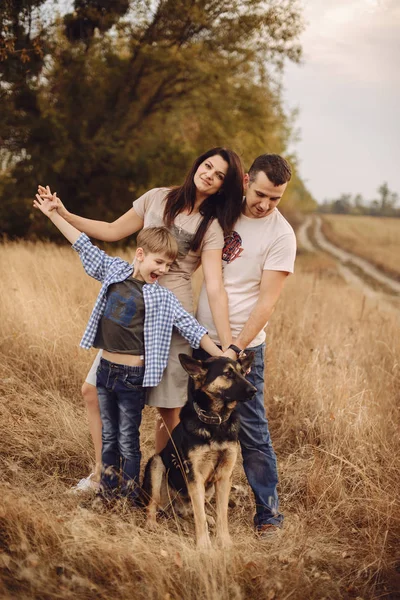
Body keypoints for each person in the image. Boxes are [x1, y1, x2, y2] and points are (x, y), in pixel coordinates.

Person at [37, 147, 244, 490]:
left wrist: (227, 347)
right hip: (132, 310)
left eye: (220, 174)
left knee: (167, 409)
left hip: (169, 316)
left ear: (224, 185)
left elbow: (214, 285)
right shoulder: (157, 198)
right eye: (207, 166)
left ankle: (158, 485)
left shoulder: (211, 227)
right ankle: (103, 474)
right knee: (92, 390)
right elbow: (110, 230)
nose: (209, 174)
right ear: (198, 165)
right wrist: (63, 213)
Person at [194, 153, 297, 536]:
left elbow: (267, 302)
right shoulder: (222, 209)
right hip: (201, 336)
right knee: (185, 417)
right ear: (247, 180)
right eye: (260, 193)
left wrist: (235, 348)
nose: (265, 204)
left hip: (243, 348)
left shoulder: (281, 235)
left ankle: (268, 516)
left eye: (275, 198)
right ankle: (181, 497)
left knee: (251, 428)